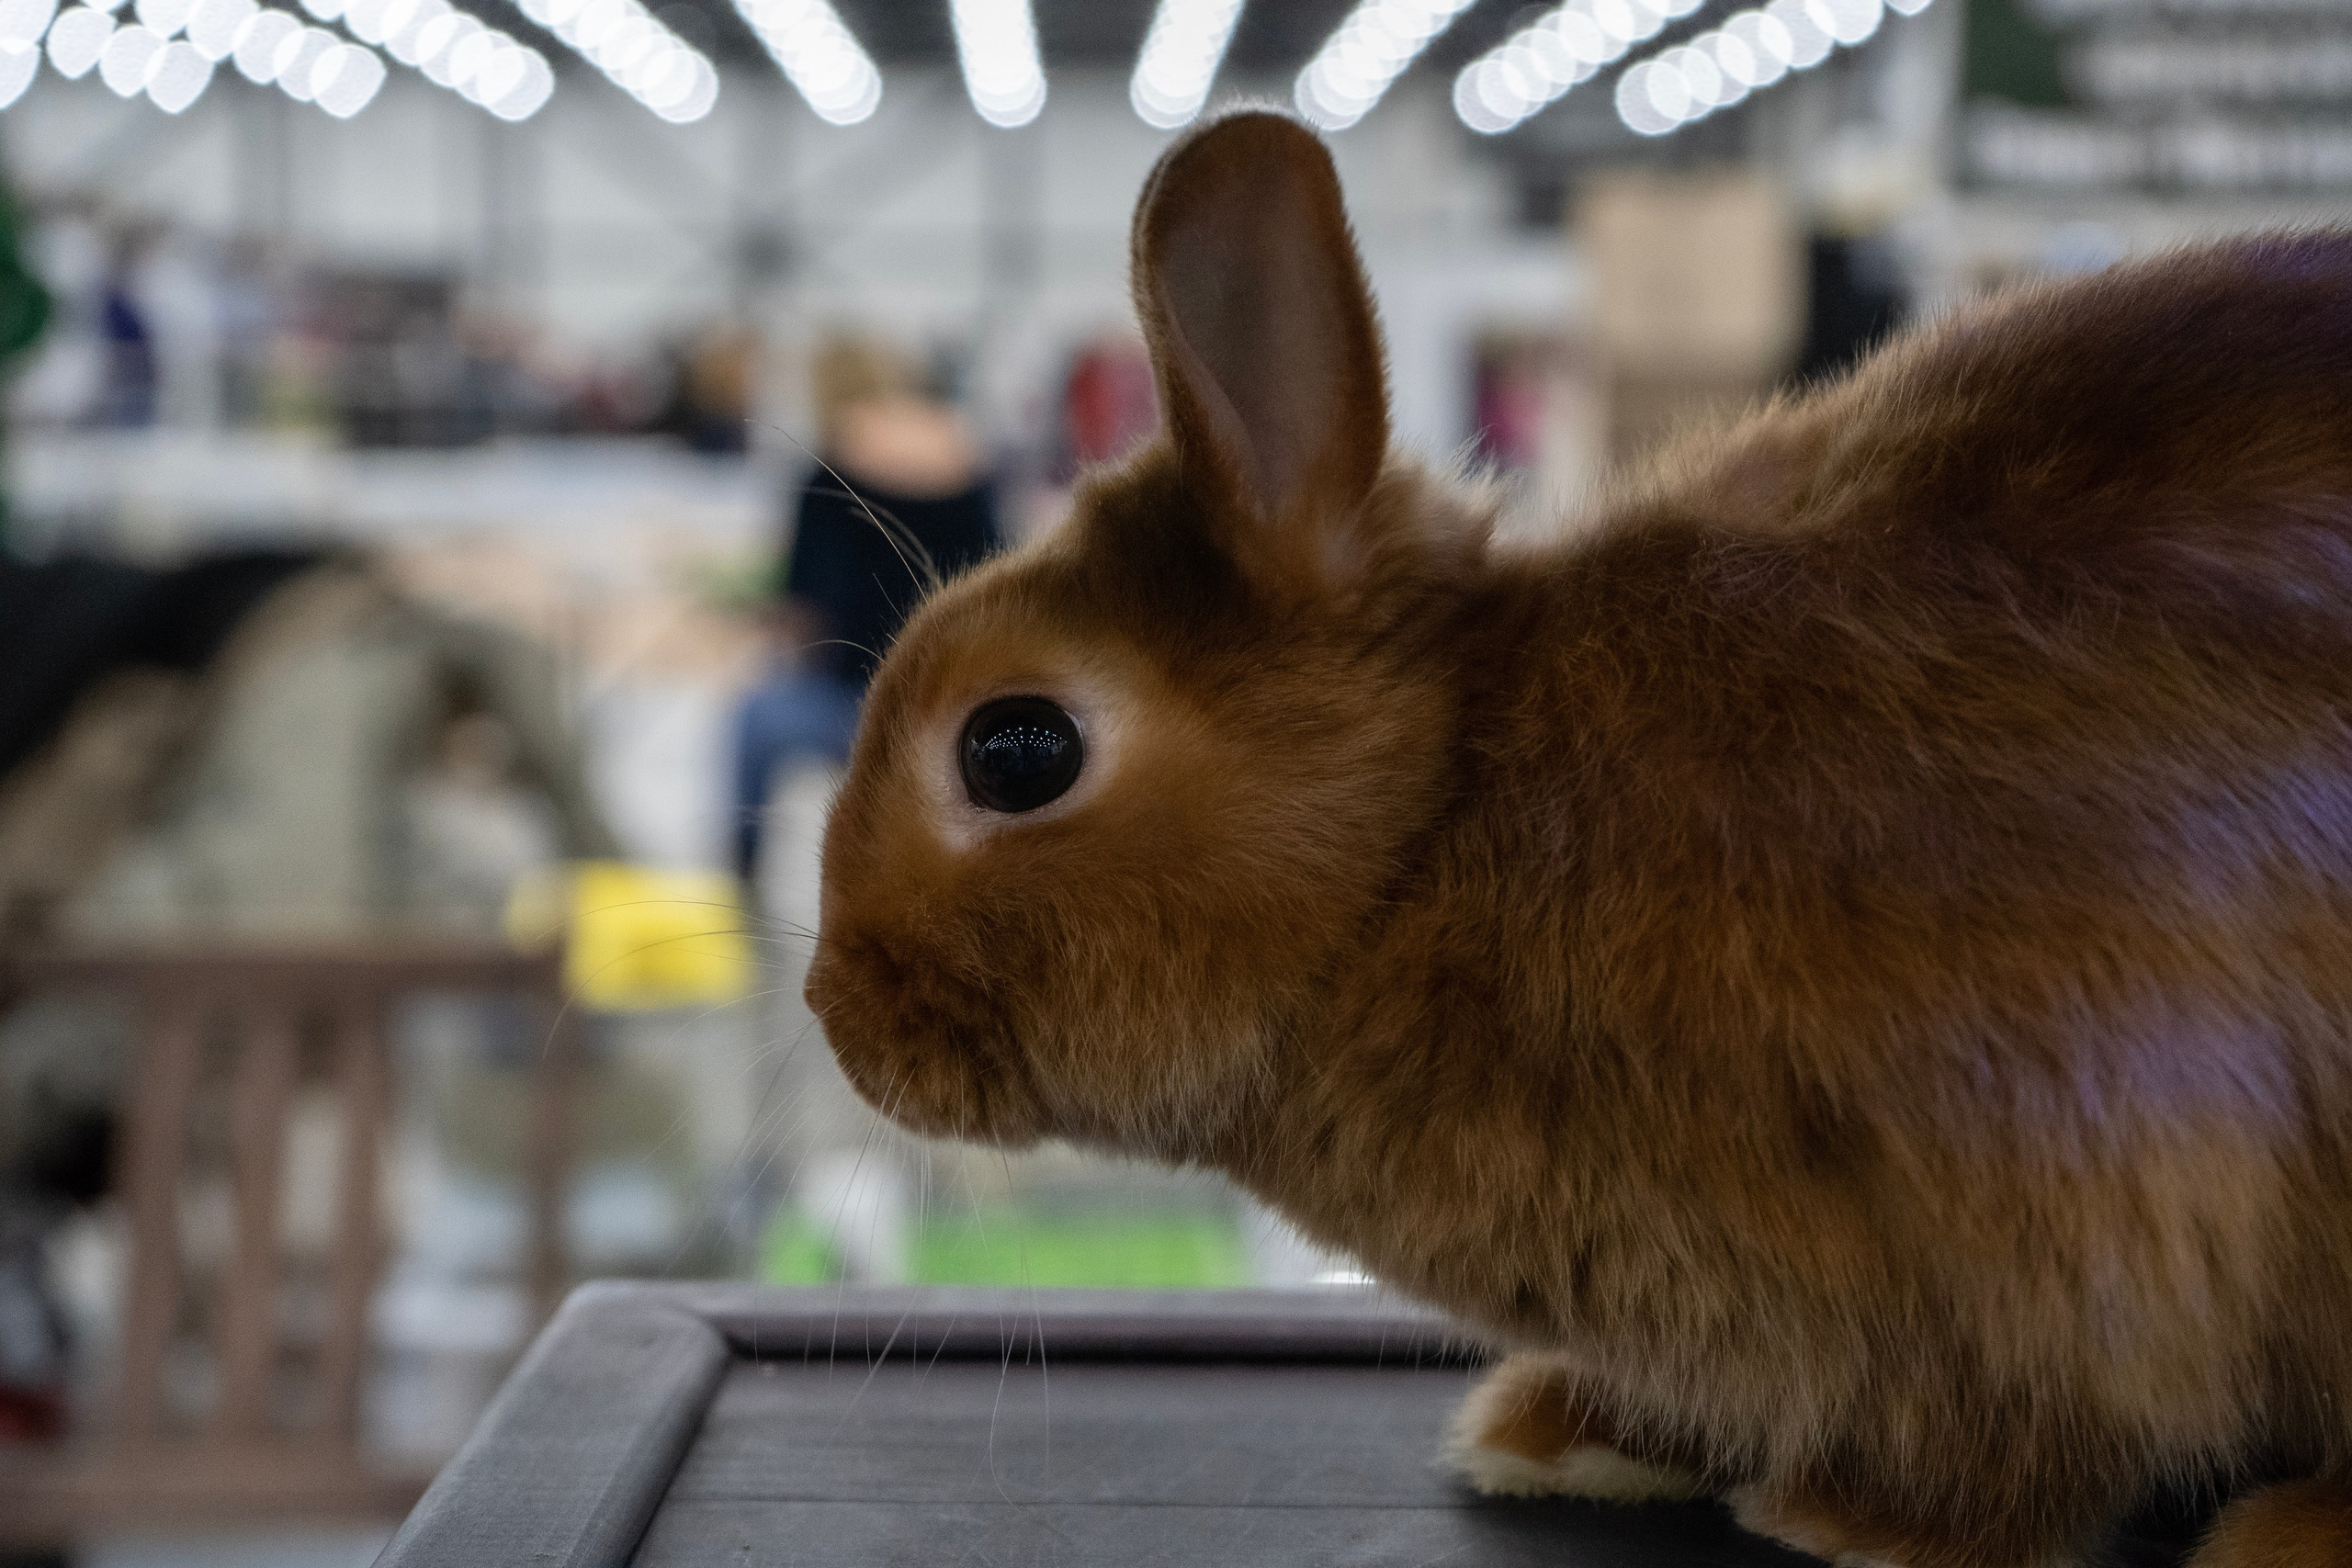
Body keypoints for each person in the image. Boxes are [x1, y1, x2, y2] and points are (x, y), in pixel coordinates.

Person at [731, 338, 1001, 884]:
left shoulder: (825, 470)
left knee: (753, 720)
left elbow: (811, 609)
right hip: (959, 697)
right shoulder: (969, 457)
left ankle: (742, 881)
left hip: (860, 700)